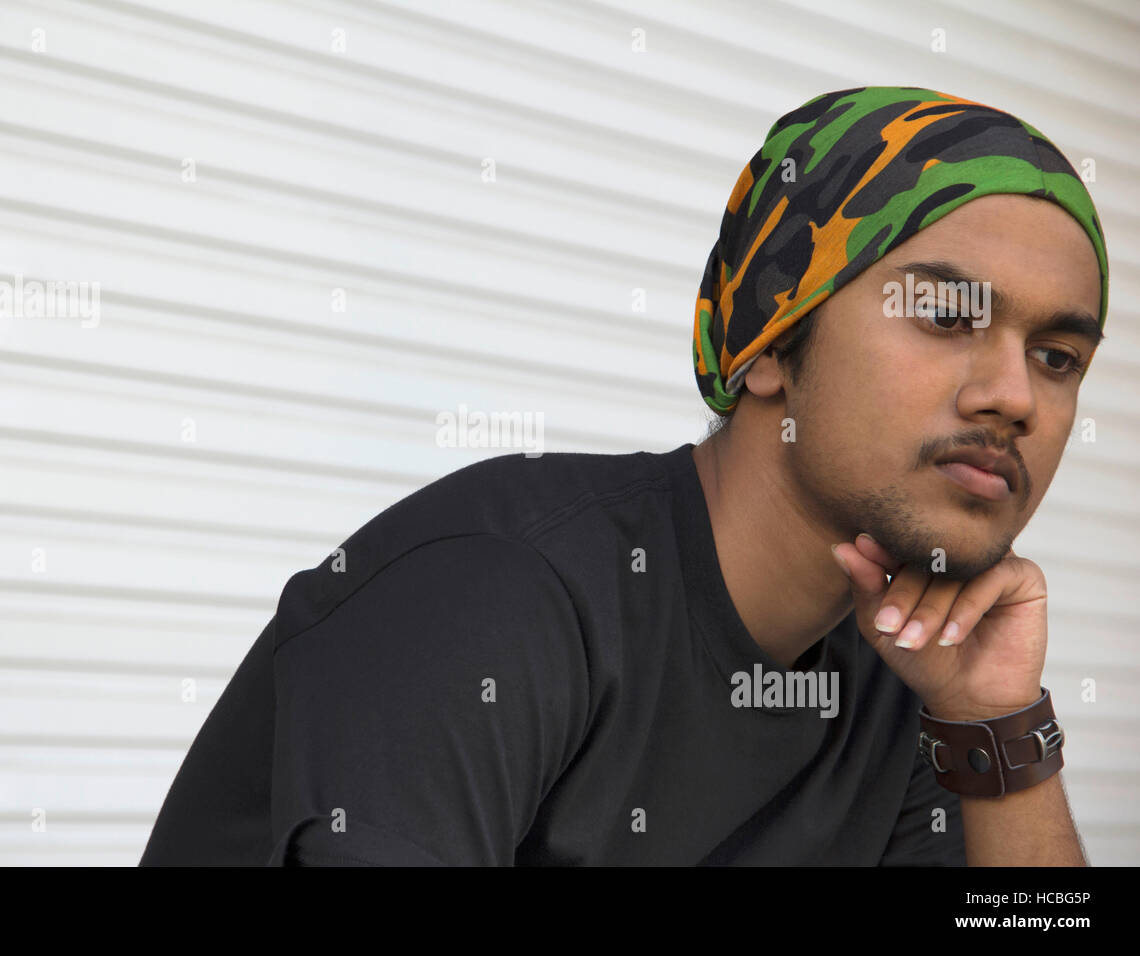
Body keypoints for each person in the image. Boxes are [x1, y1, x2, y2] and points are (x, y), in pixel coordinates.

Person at [140, 86, 1106, 866]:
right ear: (768, 341)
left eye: (1059, 356)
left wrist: (997, 725)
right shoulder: (493, 599)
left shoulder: (911, 677)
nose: (1015, 395)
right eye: (945, 315)